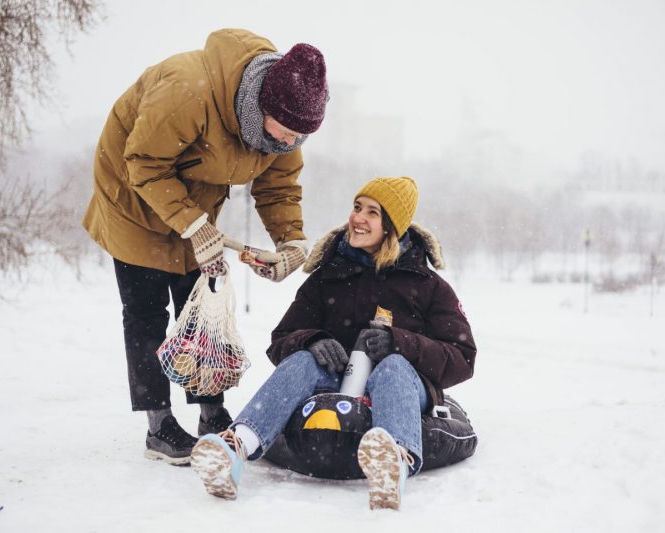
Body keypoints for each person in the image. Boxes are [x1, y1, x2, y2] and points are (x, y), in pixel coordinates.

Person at [82, 29, 329, 466]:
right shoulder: (187, 91)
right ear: (261, 107)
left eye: (299, 136)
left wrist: (290, 241)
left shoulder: (286, 129)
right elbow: (143, 164)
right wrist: (194, 225)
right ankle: (158, 424)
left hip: (192, 203)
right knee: (145, 310)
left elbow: (279, 186)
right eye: (287, 132)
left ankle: (211, 413)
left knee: (203, 309)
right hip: (133, 197)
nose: (290, 142)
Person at [190, 176, 477, 510]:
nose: (358, 218)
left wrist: (400, 343)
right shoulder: (329, 275)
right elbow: (281, 340)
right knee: (302, 360)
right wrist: (313, 340)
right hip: (336, 383)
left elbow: (463, 358)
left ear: (391, 226)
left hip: (400, 387)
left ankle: (392, 464)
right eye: (357, 207)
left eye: (372, 212)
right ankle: (235, 448)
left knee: (394, 366)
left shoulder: (427, 285)